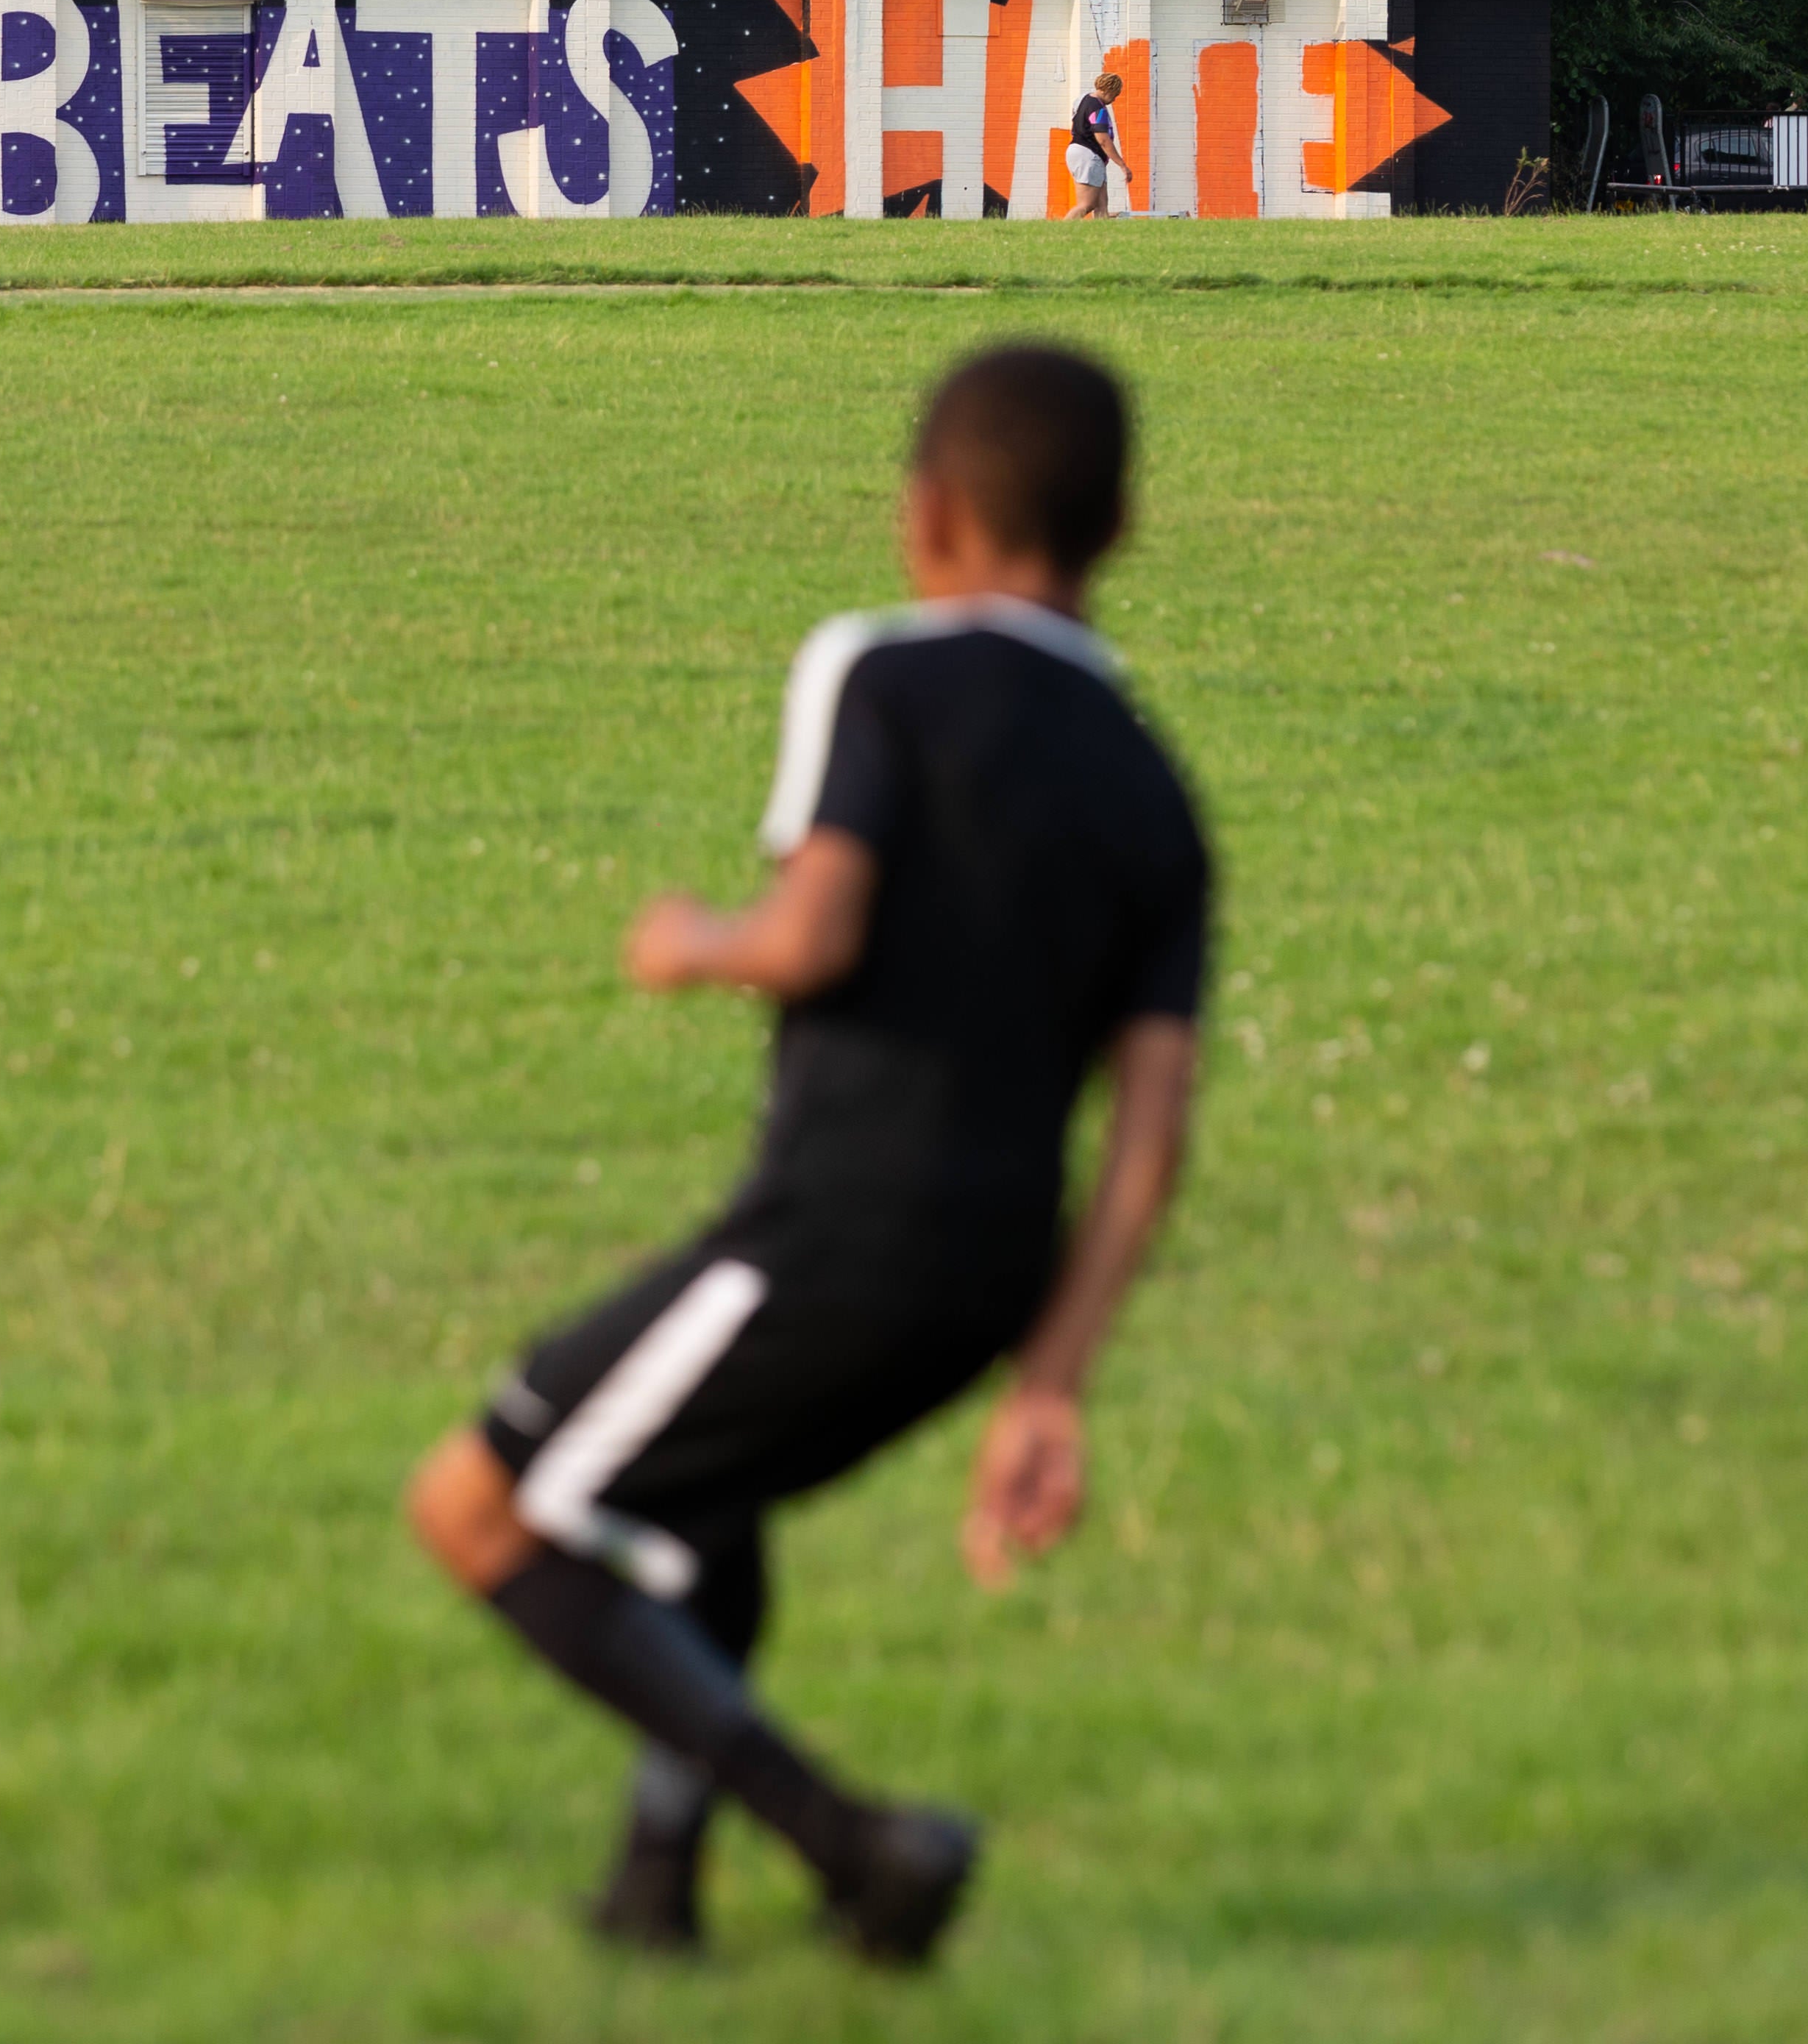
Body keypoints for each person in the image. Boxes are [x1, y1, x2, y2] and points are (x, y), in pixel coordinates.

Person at [403, 343, 1213, 1969]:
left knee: (487, 1511)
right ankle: (653, 1889)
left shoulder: (881, 669)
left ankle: (856, 1848)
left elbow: (817, 929)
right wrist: (1050, 1380)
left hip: (839, 1232)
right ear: (1121, 524)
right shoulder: (1154, 792)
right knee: (702, 1511)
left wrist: (690, 941)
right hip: (992, 1277)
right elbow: (1148, 1137)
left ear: (924, 519)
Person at [1065, 68, 1129, 217]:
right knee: (1087, 204)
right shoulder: (1098, 108)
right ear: (1109, 90)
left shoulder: (1083, 99)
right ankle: (1058, 233)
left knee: (1102, 207)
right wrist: (1122, 165)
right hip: (1088, 154)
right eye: (1115, 95)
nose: (1115, 99)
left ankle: (1102, 236)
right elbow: (1103, 140)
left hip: (1081, 153)